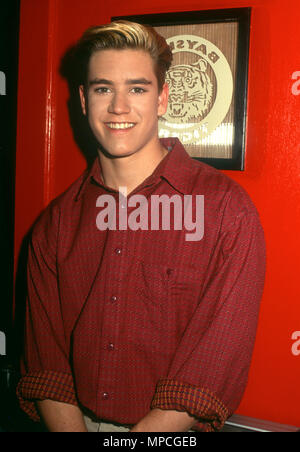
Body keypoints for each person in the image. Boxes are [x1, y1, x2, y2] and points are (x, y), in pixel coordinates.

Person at [16, 21, 266, 432]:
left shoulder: (225, 210)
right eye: (102, 89)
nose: (118, 107)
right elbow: (46, 364)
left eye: (136, 88)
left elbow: (214, 359)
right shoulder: (55, 223)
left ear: (163, 98)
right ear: (83, 100)